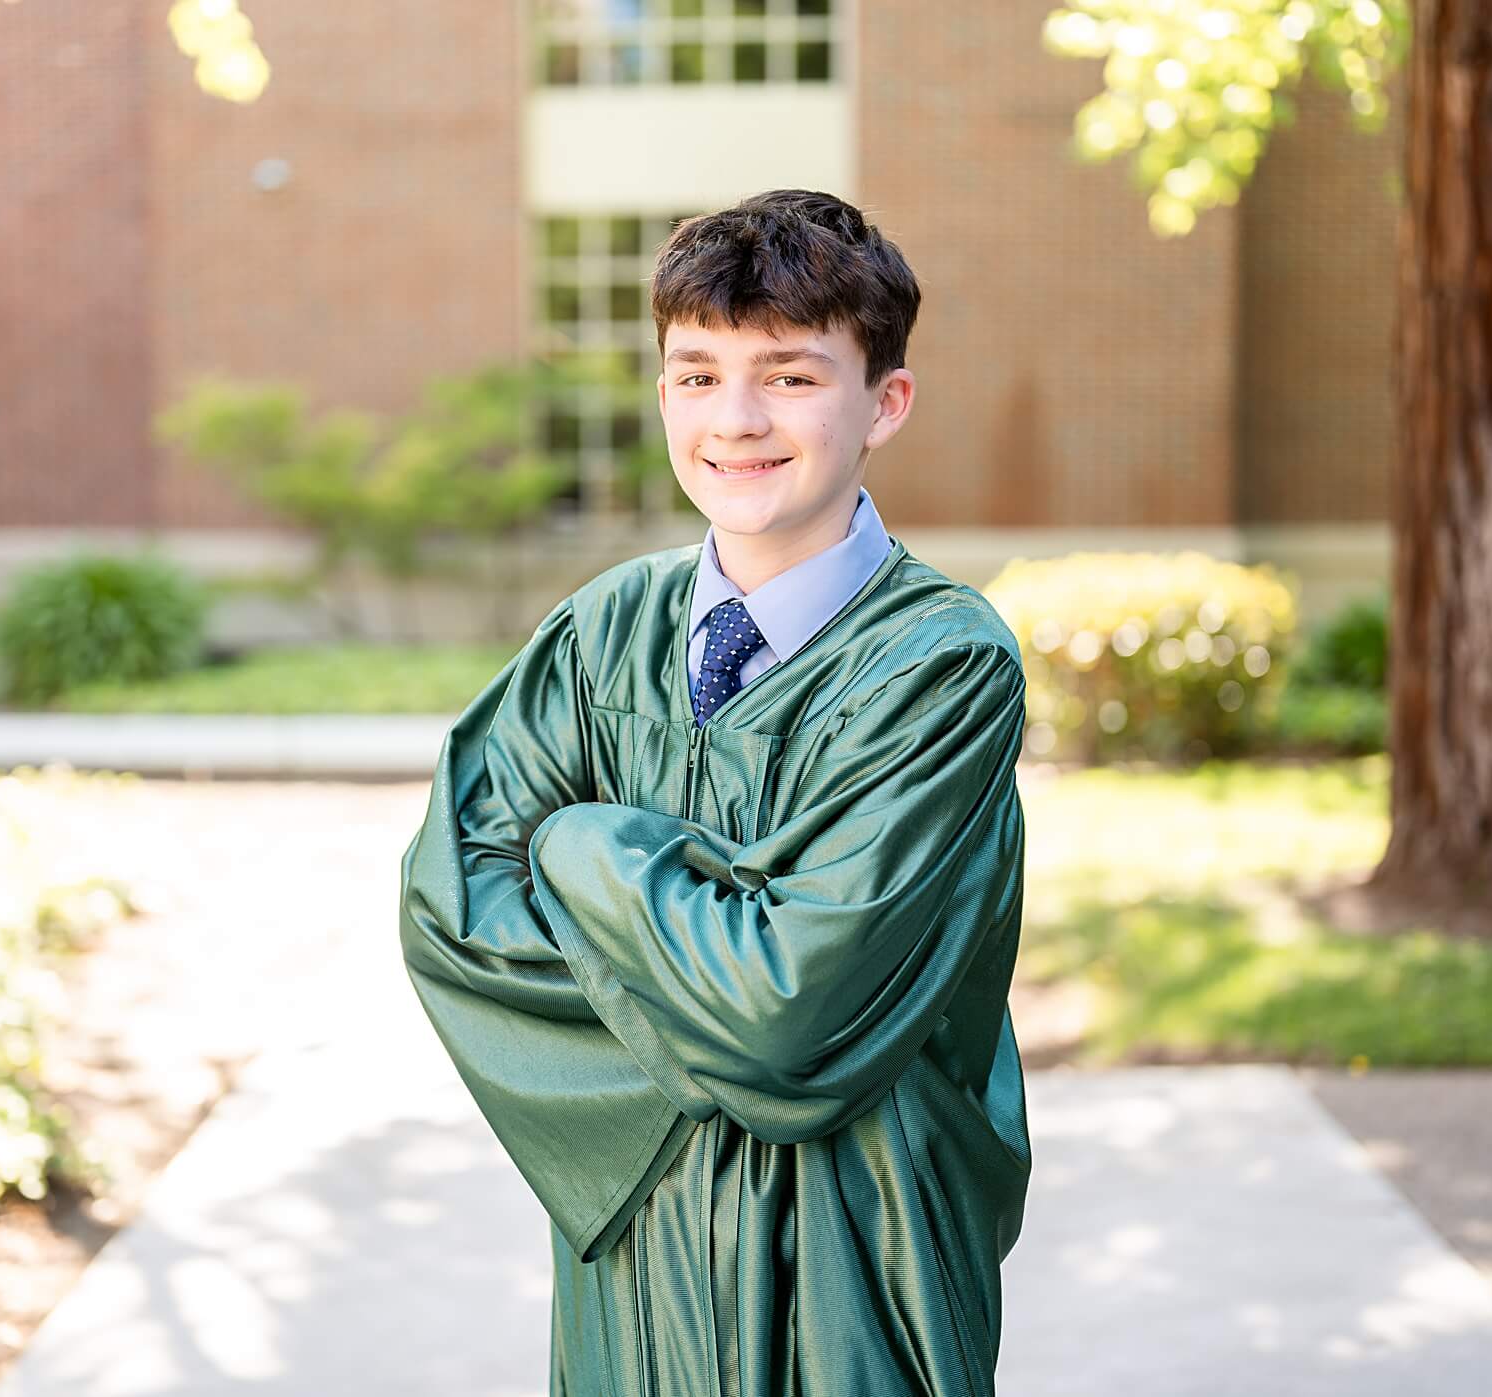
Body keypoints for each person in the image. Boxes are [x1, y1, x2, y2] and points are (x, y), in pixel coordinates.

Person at [398, 188, 1031, 1397]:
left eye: (790, 377)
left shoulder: (940, 664)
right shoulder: (599, 635)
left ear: (882, 402)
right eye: (697, 376)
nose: (734, 421)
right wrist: (710, 982)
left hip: (859, 1252)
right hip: (635, 1253)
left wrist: (586, 848)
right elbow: (452, 914)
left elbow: (794, 1003)